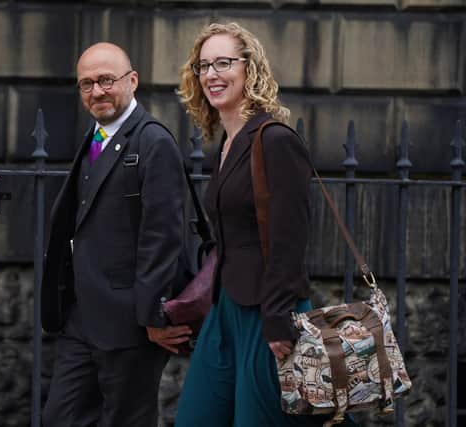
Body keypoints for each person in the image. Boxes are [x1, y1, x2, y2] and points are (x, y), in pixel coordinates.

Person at [174, 23, 353, 426]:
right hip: (226, 309)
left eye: (224, 63)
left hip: (267, 311)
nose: (212, 74)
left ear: (249, 68)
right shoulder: (227, 142)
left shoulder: (275, 140)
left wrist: (278, 319)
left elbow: (291, 237)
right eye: (203, 66)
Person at [41, 42, 192, 427]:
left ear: (133, 81)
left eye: (106, 80)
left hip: (132, 324)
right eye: (86, 84)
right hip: (83, 317)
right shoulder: (94, 137)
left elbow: (163, 236)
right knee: (61, 416)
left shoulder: (154, 141)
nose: (96, 91)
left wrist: (154, 314)